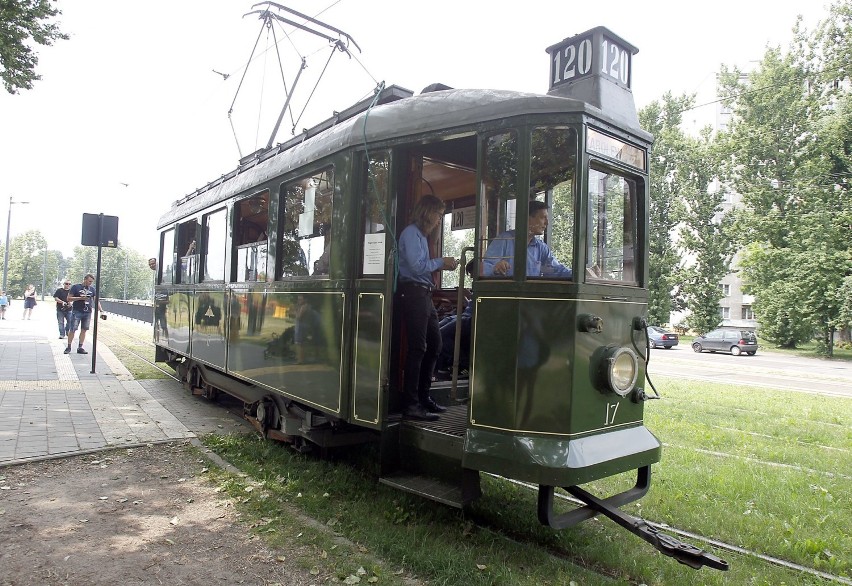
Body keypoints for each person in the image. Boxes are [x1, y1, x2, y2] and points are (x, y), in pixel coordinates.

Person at [397, 194, 458, 421]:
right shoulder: (412, 233)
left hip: (424, 293)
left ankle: (424, 398)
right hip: (413, 292)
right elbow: (416, 266)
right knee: (418, 348)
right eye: (439, 215)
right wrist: (442, 262)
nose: (440, 220)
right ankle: (411, 404)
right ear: (427, 213)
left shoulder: (422, 236)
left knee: (435, 344)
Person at [481, 200, 573, 278]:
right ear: (528, 219)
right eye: (542, 217)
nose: (547, 223)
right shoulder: (504, 240)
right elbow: (484, 267)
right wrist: (495, 268)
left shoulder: (541, 247)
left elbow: (556, 270)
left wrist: (579, 274)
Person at [65, 273, 102, 355]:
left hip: (87, 311)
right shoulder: (76, 287)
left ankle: (80, 347)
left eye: (91, 282)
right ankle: (69, 346)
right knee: (73, 329)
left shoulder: (92, 289)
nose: (90, 283)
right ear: (85, 280)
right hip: (77, 310)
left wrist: (101, 310)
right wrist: (80, 298)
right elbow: (69, 298)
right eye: (89, 281)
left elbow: (96, 300)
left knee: (84, 329)